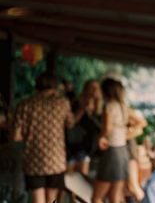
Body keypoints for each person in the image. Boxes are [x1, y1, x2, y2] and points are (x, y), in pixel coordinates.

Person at [13, 72, 74, 203]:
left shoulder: (24, 105)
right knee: (52, 199)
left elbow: (16, 137)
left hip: (33, 161)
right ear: (55, 86)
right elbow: (70, 123)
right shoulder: (62, 103)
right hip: (56, 161)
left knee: (37, 200)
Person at [92, 78, 130, 203]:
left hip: (112, 152)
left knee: (97, 197)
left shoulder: (108, 106)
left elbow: (107, 128)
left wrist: (101, 138)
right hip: (123, 152)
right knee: (115, 197)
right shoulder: (123, 106)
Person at [66, 80, 102, 175]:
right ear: (85, 89)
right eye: (91, 88)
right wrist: (83, 108)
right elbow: (72, 122)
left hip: (90, 148)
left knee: (83, 180)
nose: (94, 91)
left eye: (96, 88)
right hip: (74, 144)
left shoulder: (101, 107)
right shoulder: (76, 102)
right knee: (70, 178)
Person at [125, 107, 147, 202]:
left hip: (130, 154)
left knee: (133, 187)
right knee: (128, 189)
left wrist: (124, 137)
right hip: (127, 153)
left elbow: (143, 123)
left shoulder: (126, 110)